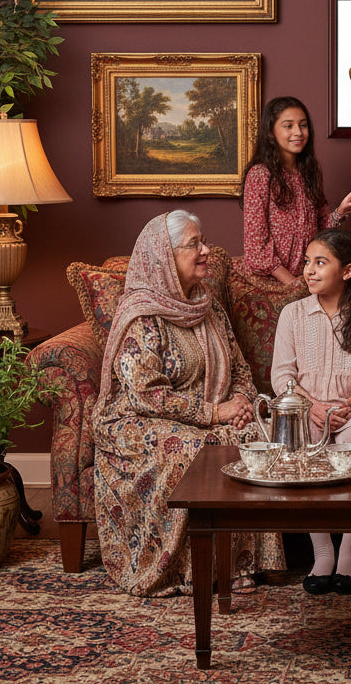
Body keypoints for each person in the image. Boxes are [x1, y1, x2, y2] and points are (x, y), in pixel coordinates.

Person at [92, 211, 284, 597]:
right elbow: (146, 393)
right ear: (165, 255)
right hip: (135, 419)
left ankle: (239, 563)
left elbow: (241, 366)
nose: (206, 250)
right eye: (193, 244)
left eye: (203, 241)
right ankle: (193, 569)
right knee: (195, 449)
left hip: (204, 413)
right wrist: (214, 413)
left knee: (251, 436)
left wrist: (243, 401)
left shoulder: (206, 306)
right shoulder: (142, 316)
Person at [270, 228, 351, 595]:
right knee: (304, 455)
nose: (308, 270)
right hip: (303, 410)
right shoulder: (293, 314)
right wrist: (314, 407)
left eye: (320, 263)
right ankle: (323, 552)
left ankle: (350, 551)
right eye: (307, 262)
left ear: (347, 271)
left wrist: (344, 407)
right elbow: (281, 376)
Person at [240, 95, 351, 283]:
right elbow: (256, 247)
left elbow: (320, 232)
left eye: (303, 125)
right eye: (288, 126)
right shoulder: (260, 175)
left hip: (307, 280)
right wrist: (293, 284)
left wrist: (341, 211)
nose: (298, 132)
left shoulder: (310, 172)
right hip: (271, 284)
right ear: (271, 131)